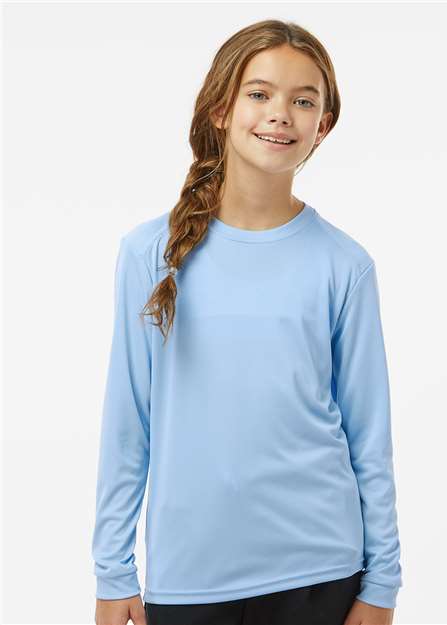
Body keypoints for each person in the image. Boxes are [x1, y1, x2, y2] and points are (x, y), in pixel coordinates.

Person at [92, 18, 403, 625]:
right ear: (220, 109)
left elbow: (370, 437)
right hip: (189, 578)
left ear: (323, 126)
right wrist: (113, 569)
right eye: (259, 93)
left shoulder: (345, 265)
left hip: (321, 573)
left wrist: (383, 583)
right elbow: (129, 421)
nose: (280, 114)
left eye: (303, 101)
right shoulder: (149, 254)